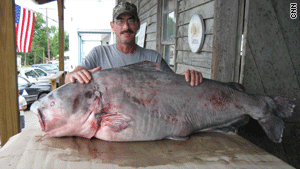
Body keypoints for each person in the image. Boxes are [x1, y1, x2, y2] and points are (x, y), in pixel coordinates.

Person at [65, 2, 203, 86]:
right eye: (120, 21)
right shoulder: (98, 54)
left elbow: (174, 85)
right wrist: (71, 77)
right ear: (112, 26)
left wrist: (187, 76)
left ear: (138, 25)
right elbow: (69, 78)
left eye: (131, 20)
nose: (126, 26)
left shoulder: (153, 58)